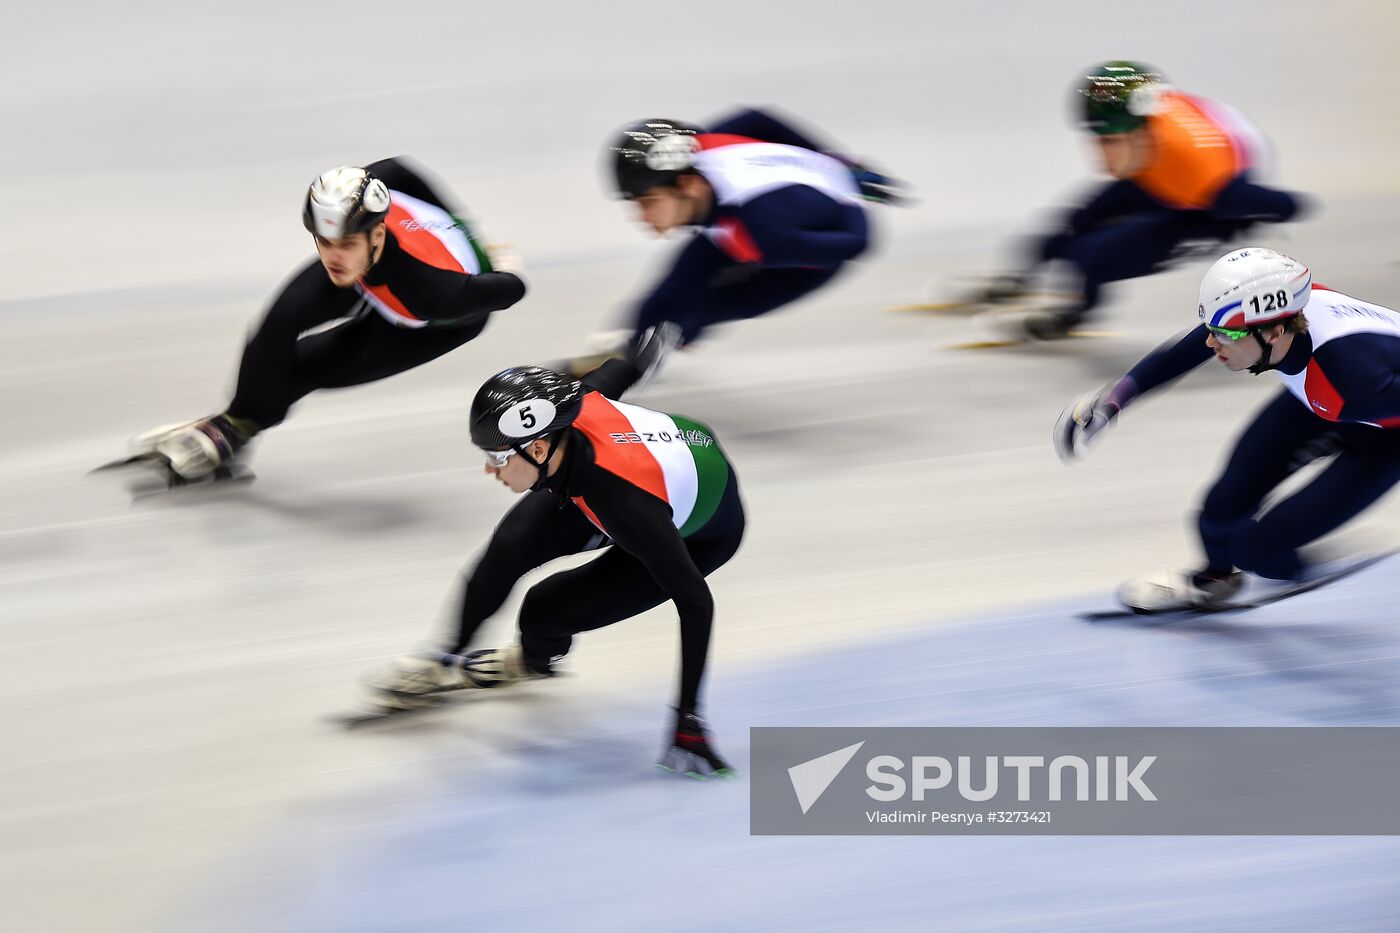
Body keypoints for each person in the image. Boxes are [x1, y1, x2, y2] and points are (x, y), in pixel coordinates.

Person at [370, 355, 745, 778]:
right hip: (644, 466)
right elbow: (622, 366)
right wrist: (654, 339)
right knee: (509, 548)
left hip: (698, 533)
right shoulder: (574, 403)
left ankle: (533, 660)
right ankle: (441, 661)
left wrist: (688, 715)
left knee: (545, 609)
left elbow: (696, 602)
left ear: (538, 447)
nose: (489, 469)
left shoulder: (624, 504)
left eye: (496, 458)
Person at [133, 159, 526, 480]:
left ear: (377, 234)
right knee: (277, 326)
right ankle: (234, 423)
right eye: (324, 243)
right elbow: (401, 168)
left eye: (346, 244)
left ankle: (238, 428)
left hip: (423, 324)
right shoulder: (373, 193)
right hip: (372, 273)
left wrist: (492, 261)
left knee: (308, 367)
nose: (333, 257)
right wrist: (457, 218)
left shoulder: (435, 293)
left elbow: (512, 290)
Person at [1056, 247, 1400, 610]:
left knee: (1258, 552)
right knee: (1220, 511)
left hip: (1384, 439)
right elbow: (1184, 352)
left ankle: (1303, 565)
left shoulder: (1351, 375)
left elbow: (1357, 383)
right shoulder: (1281, 314)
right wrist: (1115, 399)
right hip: (1321, 402)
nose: (1211, 344)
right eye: (1212, 330)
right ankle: (1215, 580)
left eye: (1224, 335)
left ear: (1274, 333)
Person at [980, 61, 1305, 340]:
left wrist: (1262, 223)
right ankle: (1021, 279)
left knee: (1093, 255)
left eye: (1109, 141)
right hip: (1162, 171)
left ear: (1142, 134)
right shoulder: (1146, 134)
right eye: (1095, 139)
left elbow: (1288, 205)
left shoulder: (1212, 184)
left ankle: (1073, 316)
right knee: (1074, 223)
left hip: (1208, 206)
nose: (1099, 154)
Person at [570, 107, 903, 375]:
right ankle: (634, 355)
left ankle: (634, 366)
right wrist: (834, 158)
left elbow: (859, 243)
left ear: (686, 185)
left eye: (647, 203)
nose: (639, 217)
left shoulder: (767, 232)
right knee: (666, 297)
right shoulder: (700, 144)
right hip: (735, 218)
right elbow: (758, 118)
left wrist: (849, 194)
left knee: (699, 311)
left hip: (796, 262)